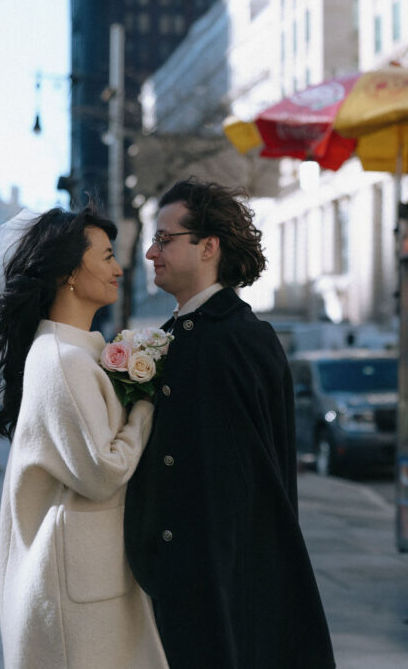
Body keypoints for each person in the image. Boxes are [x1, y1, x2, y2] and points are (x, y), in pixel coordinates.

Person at [0, 206, 168, 668]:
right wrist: (146, 404)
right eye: (105, 257)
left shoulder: (77, 352)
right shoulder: (62, 358)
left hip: (89, 580)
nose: (117, 269)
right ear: (68, 271)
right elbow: (104, 470)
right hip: (75, 594)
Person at [124, 178, 335, 668]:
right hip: (175, 577)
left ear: (208, 246)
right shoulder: (169, 337)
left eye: (165, 239)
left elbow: (268, 476)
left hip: (223, 578)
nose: (152, 252)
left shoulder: (245, 338)